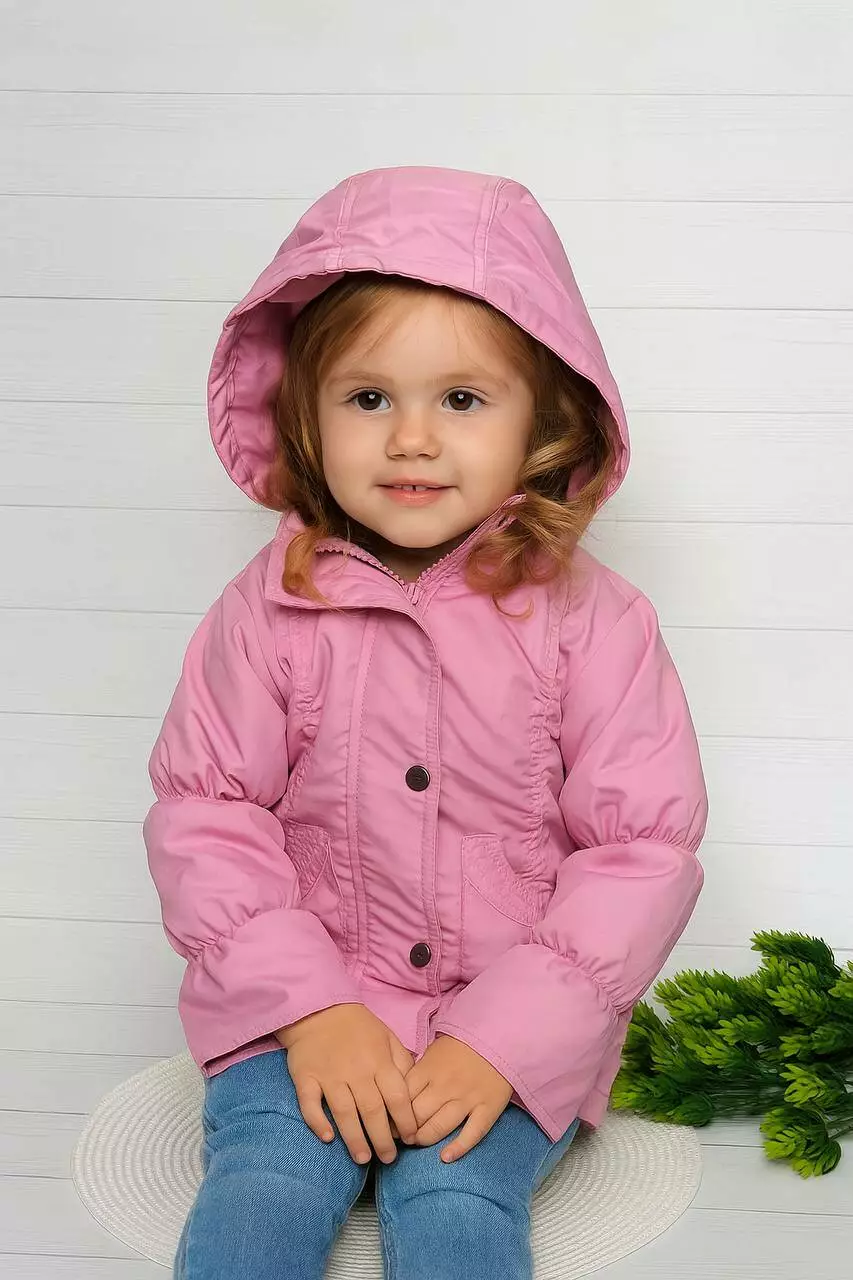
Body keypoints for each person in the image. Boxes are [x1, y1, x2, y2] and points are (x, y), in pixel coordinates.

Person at [143, 164, 709, 1280]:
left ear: (543, 418)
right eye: (367, 399)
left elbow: (639, 851)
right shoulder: (266, 609)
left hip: (508, 1015)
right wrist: (310, 1008)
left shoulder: (596, 622)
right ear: (305, 415)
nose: (410, 438)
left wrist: (506, 1038)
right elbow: (207, 814)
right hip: (298, 1003)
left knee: (452, 1193)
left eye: (460, 399)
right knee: (265, 1176)